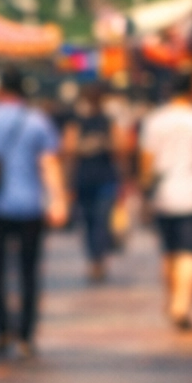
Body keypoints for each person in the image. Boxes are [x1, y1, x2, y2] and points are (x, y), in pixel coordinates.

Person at [0, 68, 67, 359]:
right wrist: (58, 200)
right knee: (29, 272)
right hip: (31, 207)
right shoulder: (37, 121)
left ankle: (1, 330)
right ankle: (26, 334)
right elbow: (49, 164)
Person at [139, 69, 192, 330]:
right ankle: (181, 304)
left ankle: (174, 300)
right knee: (191, 251)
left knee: (169, 251)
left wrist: (146, 192)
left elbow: (147, 163)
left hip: (164, 195)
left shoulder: (155, 121)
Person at [64, 83, 118, 282]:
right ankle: (96, 259)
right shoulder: (81, 122)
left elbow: (119, 147)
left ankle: (97, 260)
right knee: (93, 222)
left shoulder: (104, 121)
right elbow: (68, 149)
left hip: (98, 179)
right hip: (90, 178)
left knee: (98, 222)